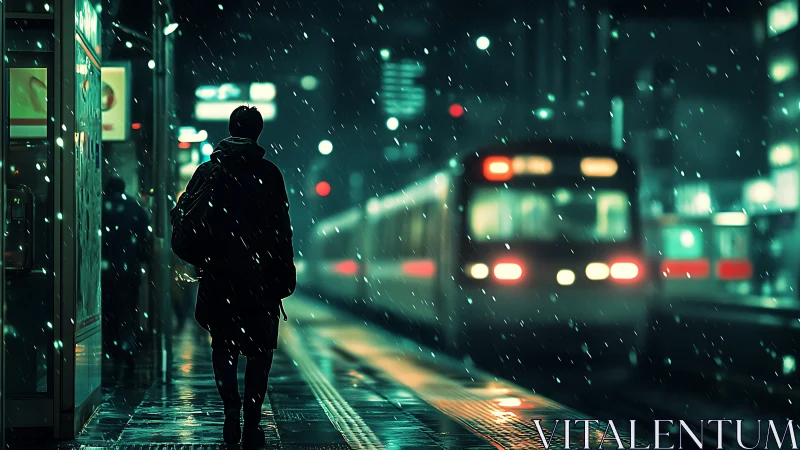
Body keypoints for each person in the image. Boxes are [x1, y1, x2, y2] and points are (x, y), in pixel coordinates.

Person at [182, 105, 295, 446]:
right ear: (257, 133)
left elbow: (189, 223)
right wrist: (282, 275)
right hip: (259, 281)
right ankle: (251, 422)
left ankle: (231, 415)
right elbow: (281, 232)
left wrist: (205, 259)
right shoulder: (270, 174)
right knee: (260, 353)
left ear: (231, 128)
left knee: (224, 348)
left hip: (220, 278)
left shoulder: (208, 172)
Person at [101, 177, 152, 370]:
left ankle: (111, 349)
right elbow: (143, 242)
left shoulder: (101, 206)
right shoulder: (135, 208)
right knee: (128, 311)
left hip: (105, 271)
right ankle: (127, 347)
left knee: (108, 312)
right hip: (129, 270)